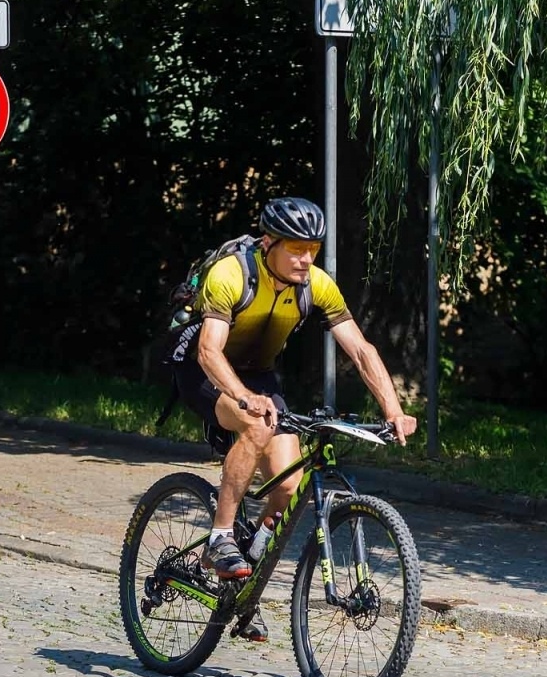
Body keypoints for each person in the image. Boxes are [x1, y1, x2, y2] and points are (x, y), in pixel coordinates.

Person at [170, 196, 419, 642]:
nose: (306, 259)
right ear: (269, 243)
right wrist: (244, 397)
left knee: (288, 487)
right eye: (297, 249)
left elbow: (360, 349)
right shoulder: (231, 274)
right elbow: (208, 350)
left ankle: (244, 582)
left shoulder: (316, 285)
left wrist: (393, 409)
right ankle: (220, 538)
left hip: (259, 376)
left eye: (313, 249)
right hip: (204, 370)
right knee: (256, 424)